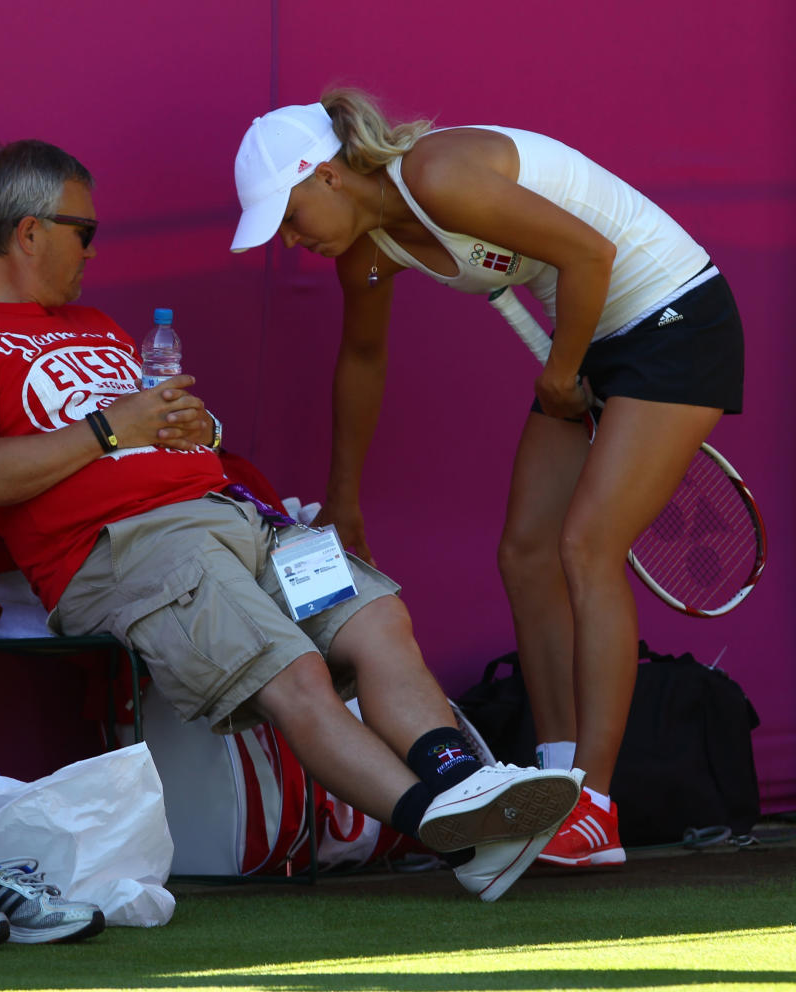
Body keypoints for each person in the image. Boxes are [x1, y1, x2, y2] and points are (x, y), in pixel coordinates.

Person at [0, 138, 581, 902]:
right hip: (134, 550)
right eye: (83, 232)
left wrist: (198, 429)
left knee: (377, 621)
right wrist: (110, 429)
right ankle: (448, 828)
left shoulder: (95, 321)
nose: (91, 251)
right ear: (29, 231)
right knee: (296, 672)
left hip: (239, 522)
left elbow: (161, 428)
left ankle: (463, 791)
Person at [230, 93, 744, 867]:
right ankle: (557, 781)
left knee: (587, 547)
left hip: (676, 321)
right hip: (595, 340)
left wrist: (563, 373)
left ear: (328, 176)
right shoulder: (365, 255)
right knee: (527, 552)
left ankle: (596, 805)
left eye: (290, 216)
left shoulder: (439, 175)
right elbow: (362, 362)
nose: (291, 239)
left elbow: (590, 256)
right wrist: (345, 494)